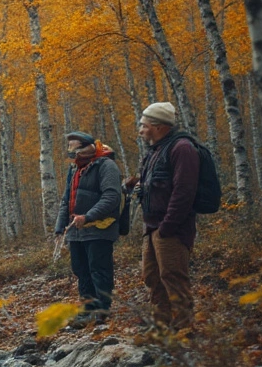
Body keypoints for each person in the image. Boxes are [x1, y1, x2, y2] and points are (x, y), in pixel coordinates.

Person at [125, 102, 200, 331]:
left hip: (171, 228)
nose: (140, 131)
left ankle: (185, 332)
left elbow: (184, 191)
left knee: (173, 278)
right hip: (152, 226)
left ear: (158, 126)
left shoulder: (182, 148)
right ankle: (161, 328)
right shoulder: (155, 151)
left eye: (144, 125)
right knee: (152, 277)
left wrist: (167, 226)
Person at [54, 131, 122, 324]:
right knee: (81, 270)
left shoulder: (107, 166)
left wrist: (88, 216)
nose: (72, 152)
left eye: (75, 147)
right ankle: (87, 309)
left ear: (87, 147)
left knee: (99, 269)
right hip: (76, 231)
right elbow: (66, 199)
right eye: (70, 148)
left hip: (100, 228)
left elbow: (111, 197)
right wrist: (60, 227)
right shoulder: (74, 170)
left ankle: (101, 310)